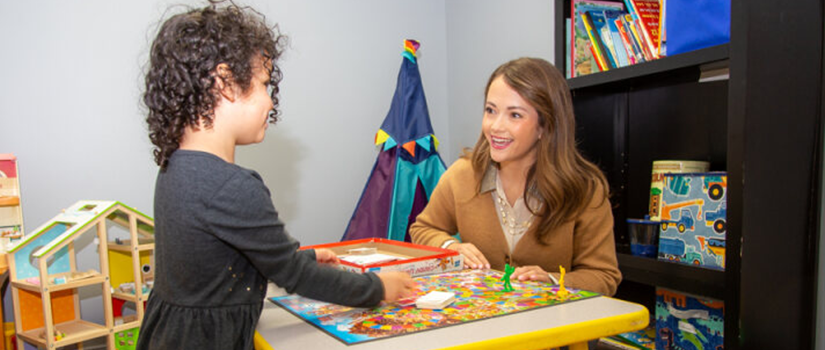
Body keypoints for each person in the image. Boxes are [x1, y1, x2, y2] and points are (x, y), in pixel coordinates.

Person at [138, 3, 414, 349]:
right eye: (265, 84)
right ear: (225, 82)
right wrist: (378, 288)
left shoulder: (174, 168)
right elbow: (293, 276)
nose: (271, 102)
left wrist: (307, 257)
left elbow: (222, 264)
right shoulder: (233, 186)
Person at [410, 57, 621, 296]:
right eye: (491, 111)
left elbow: (604, 276)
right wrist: (450, 246)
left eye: (515, 115)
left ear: (545, 126)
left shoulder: (585, 189)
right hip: (483, 325)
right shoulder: (462, 174)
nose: (496, 126)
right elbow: (423, 228)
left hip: (553, 328)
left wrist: (553, 281)